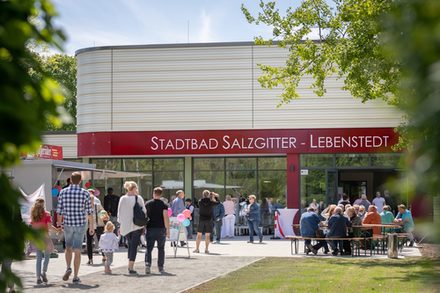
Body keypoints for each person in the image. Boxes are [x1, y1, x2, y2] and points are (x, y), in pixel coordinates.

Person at [57, 172, 94, 284]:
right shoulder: (85, 193)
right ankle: (76, 276)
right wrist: (91, 226)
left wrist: (59, 224)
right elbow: (89, 212)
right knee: (77, 250)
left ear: (71, 180)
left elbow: (59, 211)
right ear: (80, 180)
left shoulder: (63, 192)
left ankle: (68, 267)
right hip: (81, 224)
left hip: (68, 223)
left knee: (68, 247)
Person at [117, 181, 146, 275]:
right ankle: (131, 266)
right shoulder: (138, 198)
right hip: (136, 225)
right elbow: (144, 211)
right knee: (134, 246)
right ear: (134, 188)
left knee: (130, 245)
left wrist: (120, 225)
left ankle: (129, 263)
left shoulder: (122, 198)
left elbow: (119, 213)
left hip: (125, 226)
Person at [31, 198, 60, 284]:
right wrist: (57, 230)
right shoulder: (47, 214)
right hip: (45, 237)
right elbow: (50, 227)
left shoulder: (33, 214)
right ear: (43, 204)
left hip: (36, 237)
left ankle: (38, 277)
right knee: (47, 255)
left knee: (38, 258)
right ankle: (44, 272)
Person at [144, 187, 170, 274]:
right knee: (161, 248)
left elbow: (144, 216)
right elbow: (165, 217)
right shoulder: (164, 204)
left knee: (149, 248)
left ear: (153, 193)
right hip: (161, 229)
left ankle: (148, 264)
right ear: (161, 194)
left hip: (150, 228)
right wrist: (168, 230)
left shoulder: (147, 203)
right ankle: (160, 267)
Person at [86, 190, 106, 265]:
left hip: (94, 225)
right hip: (94, 225)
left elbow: (103, 214)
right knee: (96, 241)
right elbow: (103, 214)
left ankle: (93, 258)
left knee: (93, 242)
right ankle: (93, 258)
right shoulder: (96, 204)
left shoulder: (92, 205)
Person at [194, 190, 217, 254]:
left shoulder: (200, 201)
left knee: (199, 235)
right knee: (207, 235)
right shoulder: (211, 202)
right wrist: (212, 197)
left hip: (201, 219)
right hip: (209, 219)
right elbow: (217, 203)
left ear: (203, 194)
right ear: (209, 195)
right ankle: (206, 249)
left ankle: (197, 249)